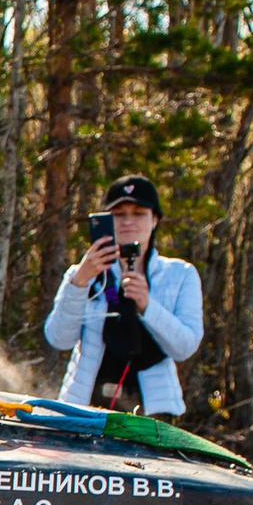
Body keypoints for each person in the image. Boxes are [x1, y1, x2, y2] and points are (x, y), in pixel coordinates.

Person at [44, 174, 204, 415]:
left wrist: (147, 306)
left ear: (155, 220)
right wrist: (80, 283)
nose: (128, 221)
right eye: (119, 214)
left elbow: (185, 347)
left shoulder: (180, 274)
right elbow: (58, 339)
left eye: (139, 213)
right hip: (84, 409)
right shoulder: (83, 274)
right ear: (107, 221)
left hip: (154, 412)